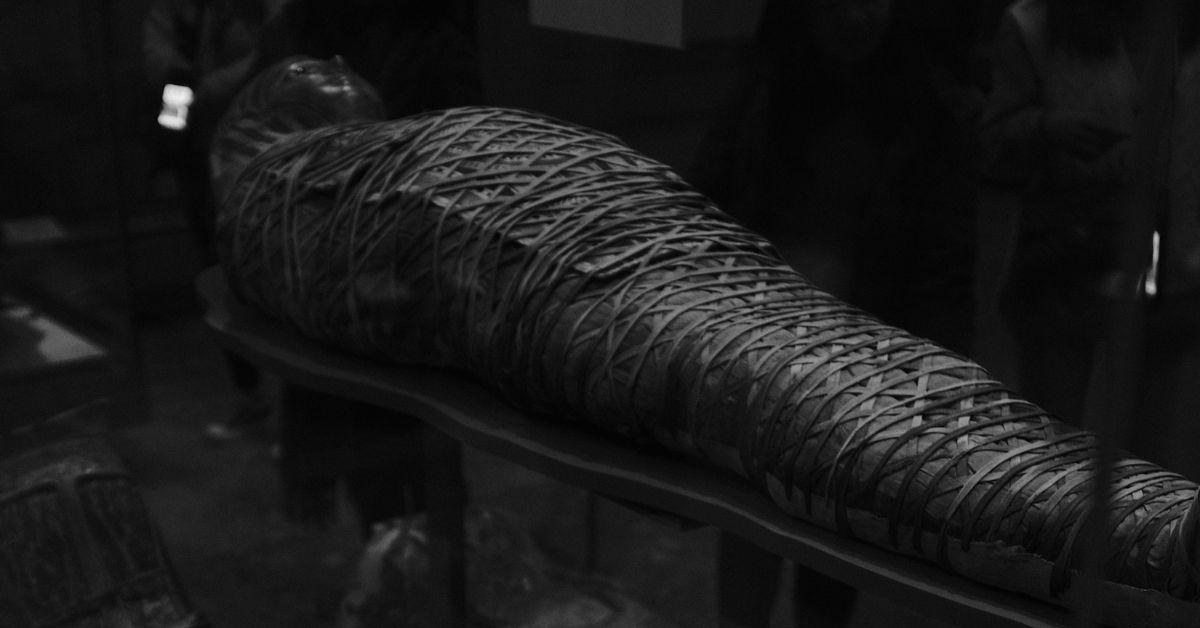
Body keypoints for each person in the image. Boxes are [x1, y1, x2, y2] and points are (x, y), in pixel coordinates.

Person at [689, 0, 982, 624]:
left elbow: (943, 265)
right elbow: (708, 203)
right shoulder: (768, 94)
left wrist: (933, 389)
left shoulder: (923, 114)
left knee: (831, 540)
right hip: (760, 356)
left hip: (859, 371)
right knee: (747, 526)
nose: (856, 16)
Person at [246, 0, 483, 534]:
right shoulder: (424, 31)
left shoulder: (306, 26)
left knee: (397, 464)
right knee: (410, 466)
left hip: (350, 269)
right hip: (389, 272)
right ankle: (417, 561)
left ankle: (407, 556)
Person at [980, 0, 1200, 480]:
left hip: (1161, 263)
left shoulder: (1175, 27)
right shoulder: (1035, 24)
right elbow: (989, 140)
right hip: (1062, 260)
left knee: (1146, 459)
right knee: (1051, 447)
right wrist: (1047, 128)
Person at [143, 0, 282, 439]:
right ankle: (253, 396)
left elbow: (273, 55)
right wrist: (170, 152)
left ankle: (288, 414)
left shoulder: (258, 14)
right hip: (202, 162)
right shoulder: (179, 19)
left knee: (274, 273)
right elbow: (168, 82)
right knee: (219, 275)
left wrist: (211, 85)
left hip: (261, 151)